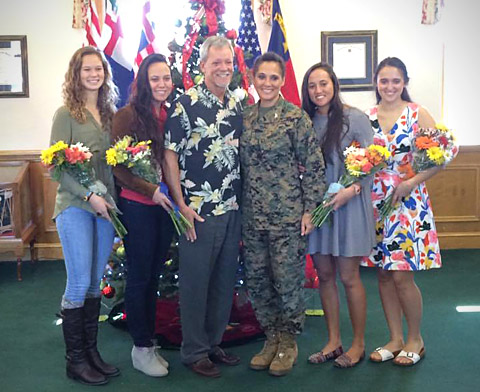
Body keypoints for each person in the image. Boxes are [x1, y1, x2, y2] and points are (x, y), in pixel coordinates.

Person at [241, 52, 326, 377]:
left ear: (281, 81)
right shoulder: (244, 117)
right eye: (262, 77)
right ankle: (271, 338)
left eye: (274, 77)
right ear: (253, 78)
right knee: (260, 282)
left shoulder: (295, 118)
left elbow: (315, 166)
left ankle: (288, 341)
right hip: (252, 217)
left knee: (287, 282)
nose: (267, 83)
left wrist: (309, 209)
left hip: (287, 218)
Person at [162, 36, 242, 378]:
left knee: (224, 282)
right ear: (203, 66)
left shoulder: (236, 104)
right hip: (198, 211)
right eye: (216, 63)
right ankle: (194, 352)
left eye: (228, 62)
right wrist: (180, 204)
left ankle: (212, 343)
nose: (223, 68)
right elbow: (169, 154)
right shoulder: (186, 103)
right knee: (196, 283)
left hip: (232, 207)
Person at [362, 57, 443, 366]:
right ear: (376, 82)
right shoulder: (366, 117)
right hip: (376, 204)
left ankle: (415, 338)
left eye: (396, 81)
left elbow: (438, 159)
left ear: (404, 82)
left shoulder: (417, 113)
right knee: (383, 274)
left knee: (401, 276)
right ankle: (395, 338)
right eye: (384, 81)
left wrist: (412, 182)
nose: (390, 86)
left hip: (408, 202)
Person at [50, 46, 119, 386]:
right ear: (76, 74)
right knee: (78, 283)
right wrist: (89, 195)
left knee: (94, 283)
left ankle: (91, 353)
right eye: (86, 69)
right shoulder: (66, 114)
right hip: (76, 207)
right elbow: (56, 167)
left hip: (106, 210)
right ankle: (74, 361)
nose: (93, 74)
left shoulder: (109, 113)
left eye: (98, 69)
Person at [301, 62, 375, 368]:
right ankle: (333, 341)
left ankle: (357, 344)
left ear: (334, 84)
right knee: (326, 276)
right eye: (312, 86)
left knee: (349, 276)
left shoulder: (355, 119)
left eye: (323, 84)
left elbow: (373, 163)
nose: (318, 91)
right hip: (319, 209)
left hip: (348, 207)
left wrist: (351, 191)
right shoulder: (303, 121)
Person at [111, 53, 174, 377]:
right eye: (155, 78)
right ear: (144, 82)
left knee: (152, 277)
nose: (162, 84)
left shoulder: (168, 114)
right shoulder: (127, 116)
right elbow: (117, 165)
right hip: (138, 207)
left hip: (164, 210)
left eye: (166, 78)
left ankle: (148, 340)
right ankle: (140, 348)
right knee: (139, 277)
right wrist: (149, 189)